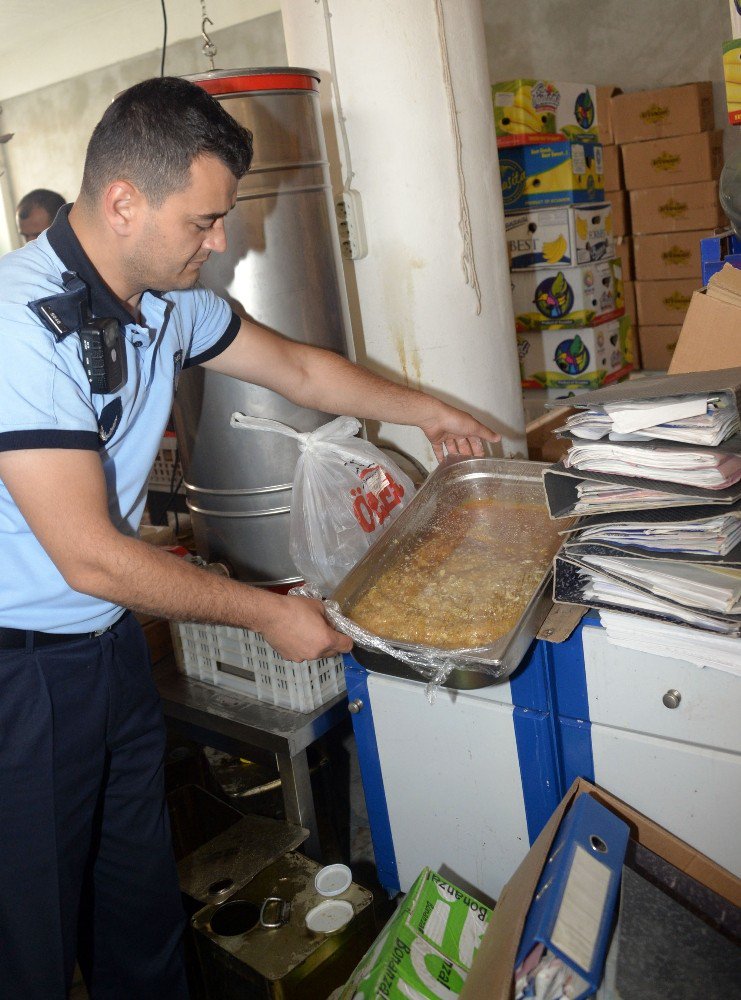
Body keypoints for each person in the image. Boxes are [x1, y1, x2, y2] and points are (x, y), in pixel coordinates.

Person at [0, 77, 500, 999]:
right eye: (203, 220)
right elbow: (90, 555)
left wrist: (429, 412)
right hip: (21, 676)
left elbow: (302, 369)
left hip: (105, 651)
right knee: (28, 936)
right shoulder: (19, 329)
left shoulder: (164, 301)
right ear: (122, 204)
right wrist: (267, 614)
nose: (220, 240)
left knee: (137, 908)